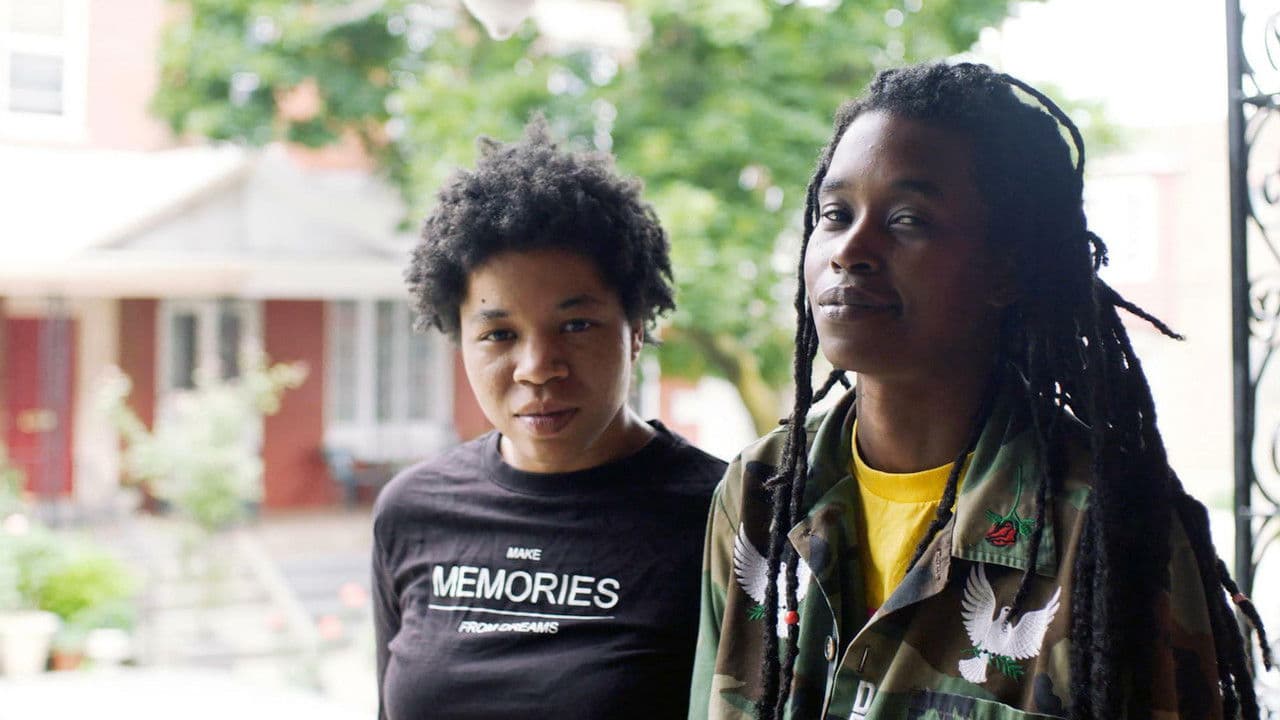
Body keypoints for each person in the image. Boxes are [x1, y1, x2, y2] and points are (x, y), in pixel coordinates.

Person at [689, 62, 1271, 720]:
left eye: (908, 219)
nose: (851, 249)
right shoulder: (760, 491)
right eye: (835, 214)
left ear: (1005, 269)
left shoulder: (1108, 524)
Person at [375, 119, 726, 720]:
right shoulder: (411, 512)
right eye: (499, 334)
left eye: (576, 325)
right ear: (460, 341)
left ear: (635, 329)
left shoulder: (723, 515)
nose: (538, 368)